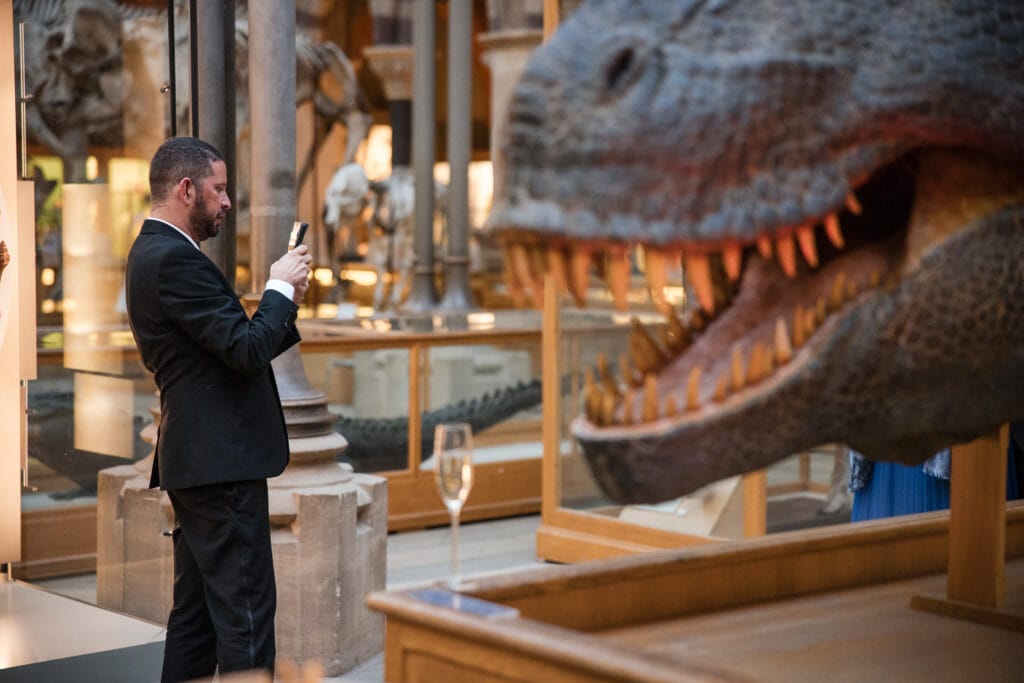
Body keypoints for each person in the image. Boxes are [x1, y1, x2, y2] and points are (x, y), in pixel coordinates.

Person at [125, 136, 312, 682]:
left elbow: (229, 349)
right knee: (246, 621)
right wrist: (277, 284)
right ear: (187, 189)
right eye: (220, 189)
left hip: (204, 462)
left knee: (198, 618)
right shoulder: (173, 259)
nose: (228, 202)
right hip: (219, 466)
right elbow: (246, 351)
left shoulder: (157, 253)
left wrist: (285, 301)